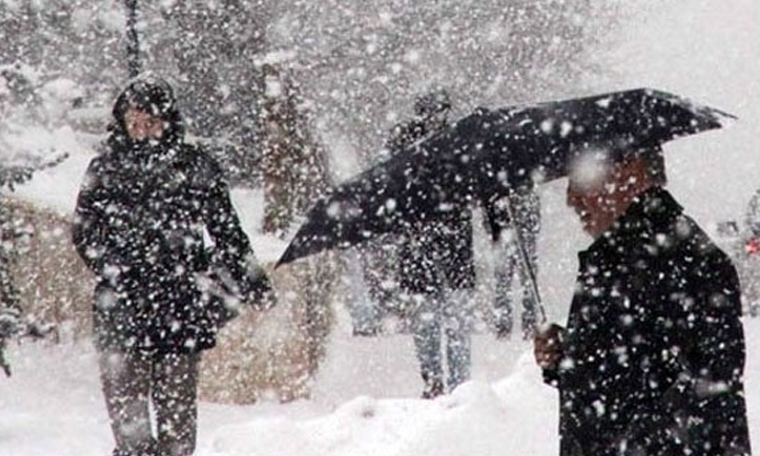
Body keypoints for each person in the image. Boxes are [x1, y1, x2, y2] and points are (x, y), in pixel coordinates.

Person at [72, 74, 272, 456]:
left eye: (150, 123)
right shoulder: (105, 168)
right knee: (126, 409)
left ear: (167, 121)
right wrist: (118, 268)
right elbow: (84, 232)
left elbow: (227, 231)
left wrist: (252, 282)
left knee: (177, 410)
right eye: (134, 124)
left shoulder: (195, 167)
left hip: (178, 300)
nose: (142, 132)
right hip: (122, 303)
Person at [534, 142, 751, 456]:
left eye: (581, 178)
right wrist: (567, 356)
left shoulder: (680, 261)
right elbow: (629, 368)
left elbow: (704, 394)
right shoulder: (619, 257)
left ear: (631, 171)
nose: (571, 199)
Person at [386, 88, 477, 399]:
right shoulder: (408, 144)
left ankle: (457, 384)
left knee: (453, 321)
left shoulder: (459, 142)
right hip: (423, 244)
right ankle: (436, 380)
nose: (438, 118)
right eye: (435, 112)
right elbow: (396, 189)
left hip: (448, 244)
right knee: (431, 320)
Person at [483, 184, 541, 339]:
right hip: (502, 231)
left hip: (522, 228)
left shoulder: (522, 181)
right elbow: (487, 207)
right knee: (503, 282)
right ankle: (504, 327)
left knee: (527, 280)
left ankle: (529, 325)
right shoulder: (492, 181)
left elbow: (533, 203)